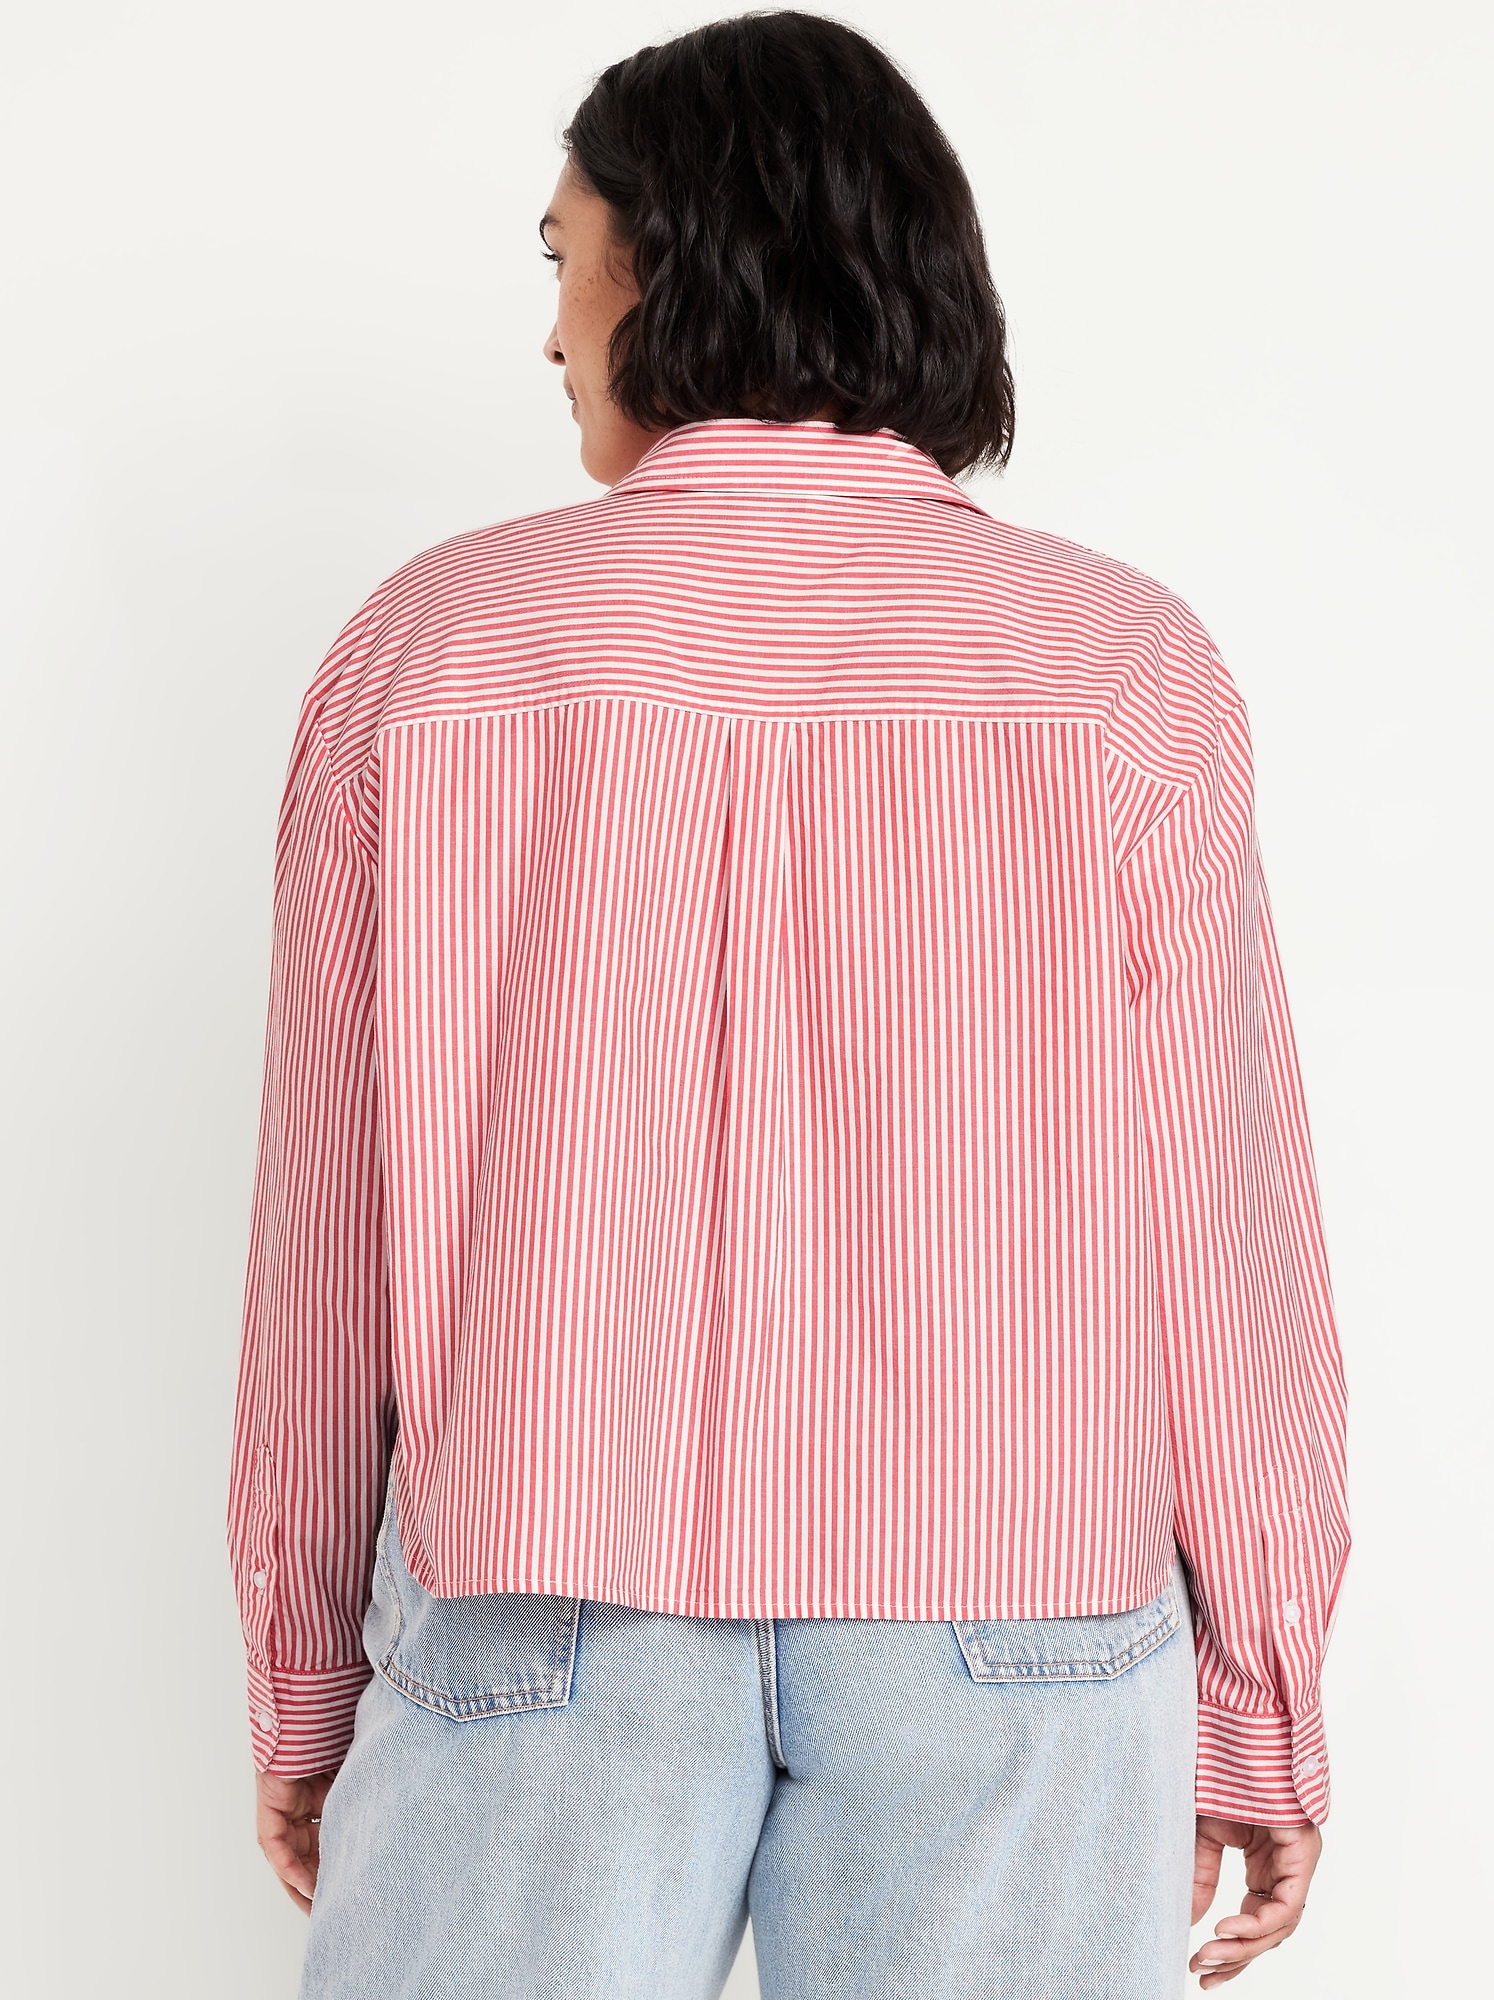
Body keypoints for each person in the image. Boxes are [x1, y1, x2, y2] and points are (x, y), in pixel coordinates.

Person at [229, 13, 1349, 1997]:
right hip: (1013, 1609)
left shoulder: (432, 649)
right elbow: (1226, 1225)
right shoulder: (1117, 665)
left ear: (668, 260)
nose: (550, 328)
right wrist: (1262, 1690)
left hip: (541, 1599)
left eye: (564, 254)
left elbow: (326, 1233)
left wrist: (306, 1667)